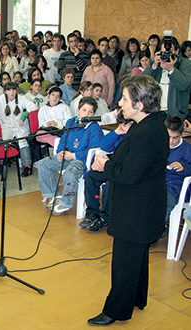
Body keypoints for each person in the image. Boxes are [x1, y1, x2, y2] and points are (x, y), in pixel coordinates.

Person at [87, 75, 169, 326]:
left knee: (124, 260)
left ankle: (116, 310)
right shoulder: (151, 124)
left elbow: (129, 174)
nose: (120, 103)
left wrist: (106, 164)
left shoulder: (146, 133)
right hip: (145, 203)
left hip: (137, 209)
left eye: (124, 99)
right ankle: (137, 298)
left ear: (140, 105)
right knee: (138, 256)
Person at [35, 97, 103, 216]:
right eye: (84, 110)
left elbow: (93, 151)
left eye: (90, 112)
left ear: (94, 114)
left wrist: (74, 155)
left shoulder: (94, 128)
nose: (86, 114)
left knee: (70, 173)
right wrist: (60, 152)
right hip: (67, 156)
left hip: (81, 160)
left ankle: (66, 202)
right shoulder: (71, 122)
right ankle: (54, 196)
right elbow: (63, 139)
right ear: (78, 110)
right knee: (42, 164)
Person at [79, 110, 132, 232]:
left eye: (127, 124)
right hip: (112, 165)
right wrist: (117, 131)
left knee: (110, 184)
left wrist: (106, 162)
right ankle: (92, 212)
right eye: (122, 124)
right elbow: (104, 146)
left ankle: (105, 218)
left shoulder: (135, 137)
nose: (124, 127)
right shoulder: (119, 133)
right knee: (91, 176)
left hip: (122, 170)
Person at [0, 82, 37, 177]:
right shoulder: (0, 100)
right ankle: (2, 163)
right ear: (5, 91)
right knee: (4, 142)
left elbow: (33, 107)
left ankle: (27, 166)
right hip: (6, 126)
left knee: (22, 141)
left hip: (19, 126)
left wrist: (23, 117)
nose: (12, 92)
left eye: (14, 89)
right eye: (9, 90)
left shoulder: (21, 98)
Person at [143, 35, 191, 120]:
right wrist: (153, 66)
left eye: (169, 52)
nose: (166, 55)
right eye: (163, 52)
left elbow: (184, 85)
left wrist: (171, 70)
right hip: (155, 112)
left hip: (174, 114)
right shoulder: (157, 66)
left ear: (177, 51)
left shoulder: (186, 64)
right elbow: (142, 82)